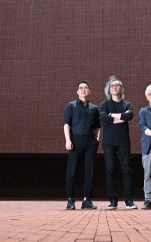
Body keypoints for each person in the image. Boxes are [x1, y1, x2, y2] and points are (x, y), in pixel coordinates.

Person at [99, 76, 137, 210]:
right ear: (109, 90)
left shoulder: (127, 104)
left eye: (117, 85)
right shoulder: (104, 104)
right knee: (110, 171)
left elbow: (129, 116)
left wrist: (111, 116)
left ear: (121, 89)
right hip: (108, 142)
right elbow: (103, 118)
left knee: (126, 170)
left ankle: (129, 200)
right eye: (112, 86)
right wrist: (121, 116)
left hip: (123, 142)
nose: (114, 87)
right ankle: (113, 200)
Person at [63, 80, 101, 210]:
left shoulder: (94, 108)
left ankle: (87, 200)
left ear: (89, 91)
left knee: (89, 171)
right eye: (81, 88)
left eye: (86, 88)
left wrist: (96, 140)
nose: (83, 90)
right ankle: (70, 200)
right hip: (75, 141)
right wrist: (68, 140)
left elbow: (97, 126)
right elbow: (66, 124)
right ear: (77, 91)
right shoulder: (71, 106)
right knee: (72, 171)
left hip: (90, 142)